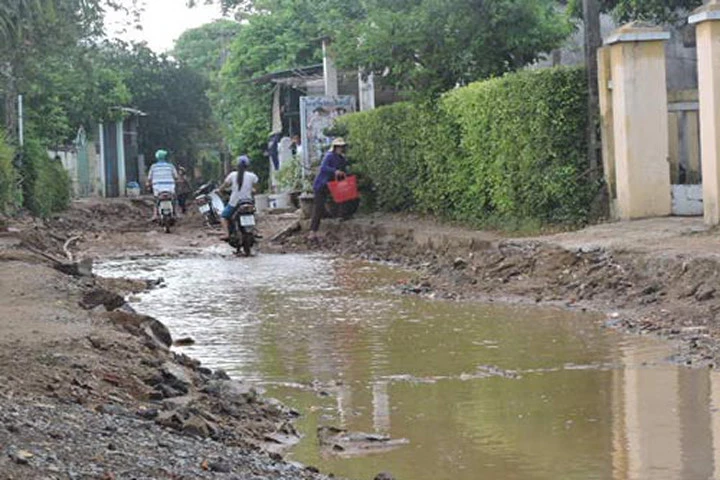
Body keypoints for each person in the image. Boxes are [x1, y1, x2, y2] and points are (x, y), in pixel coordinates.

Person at [309, 138, 347, 239]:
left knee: (342, 198)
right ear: (334, 147)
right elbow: (323, 167)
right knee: (319, 207)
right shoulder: (329, 156)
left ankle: (340, 217)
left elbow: (343, 170)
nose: (340, 149)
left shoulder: (342, 159)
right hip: (321, 184)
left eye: (341, 147)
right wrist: (335, 171)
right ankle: (313, 231)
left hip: (332, 185)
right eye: (338, 147)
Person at [219, 155, 259, 241]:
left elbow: (223, 187)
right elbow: (256, 189)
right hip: (248, 201)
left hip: (235, 202)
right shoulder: (252, 176)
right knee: (253, 214)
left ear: (237, 165)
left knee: (223, 217)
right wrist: (251, 190)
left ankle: (227, 234)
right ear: (248, 166)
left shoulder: (232, 175)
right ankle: (255, 231)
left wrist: (219, 190)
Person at [146, 149, 178, 221]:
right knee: (173, 199)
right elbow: (176, 177)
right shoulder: (170, 166)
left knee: (156, 200)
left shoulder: (153, 167)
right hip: (170, 187)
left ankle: (155, 214)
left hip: (157, 188)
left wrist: (148, 185)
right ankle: (175, 213)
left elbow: (149, 178)